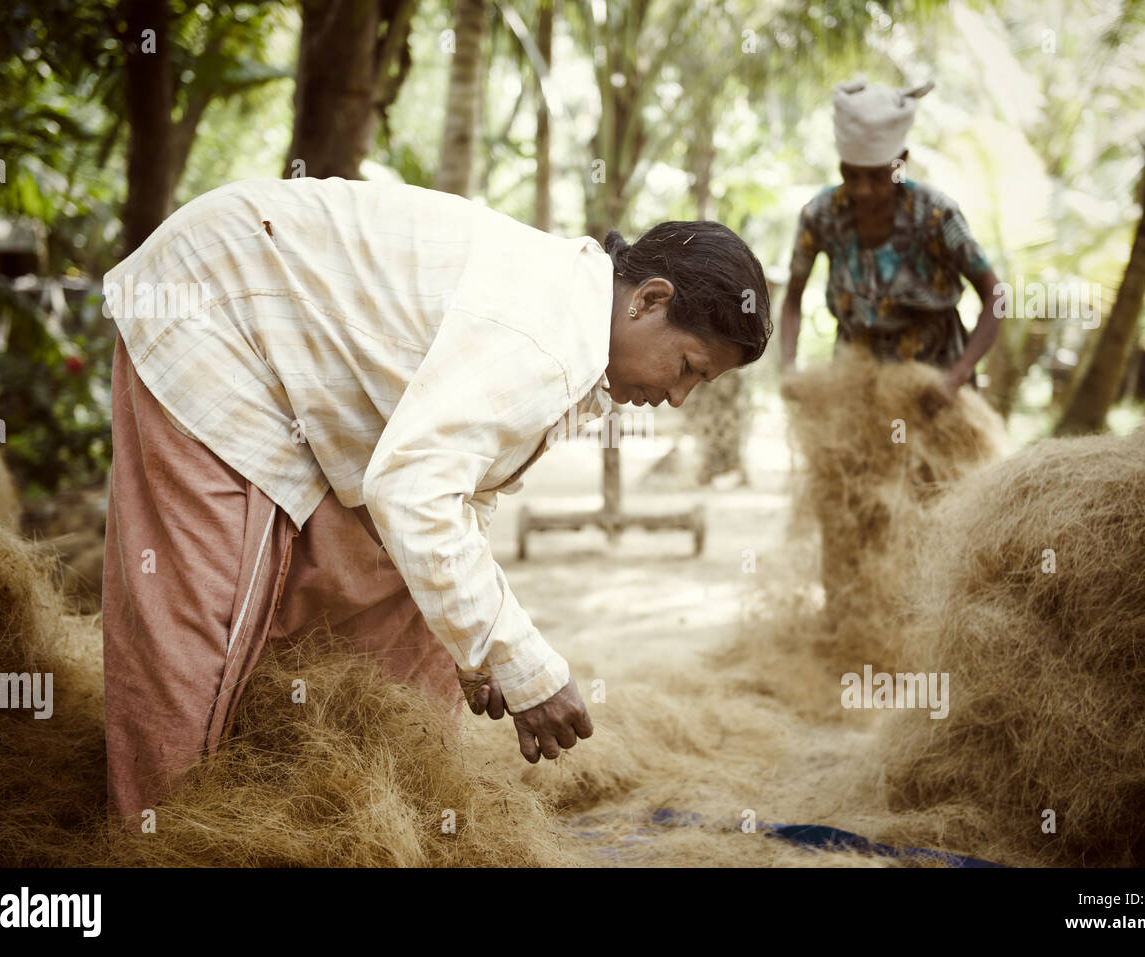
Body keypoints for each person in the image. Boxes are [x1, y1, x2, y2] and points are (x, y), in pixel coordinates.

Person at [100, 175, 771, 825]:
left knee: (409, 597)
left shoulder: (573, 322)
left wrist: (476, 650)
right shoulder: (549, 337)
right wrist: (526, 665)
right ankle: (170, 837)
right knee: (210, 612)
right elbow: (414, 491)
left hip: (272, 345)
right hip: (212, 304)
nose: (679, 398)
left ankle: (333, 817)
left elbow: (461, 491)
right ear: (649, 300)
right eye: (687, 367)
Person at [779, 80, 1003, 400]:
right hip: (856, 382)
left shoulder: (937, 215)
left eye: (876, 177)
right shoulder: (820, 215)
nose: (862, 190)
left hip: (935, 386)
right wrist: (789, 366)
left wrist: (958, 374)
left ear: (901, 162)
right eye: (851, 175)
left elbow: (997, 296)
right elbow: (792, 299)